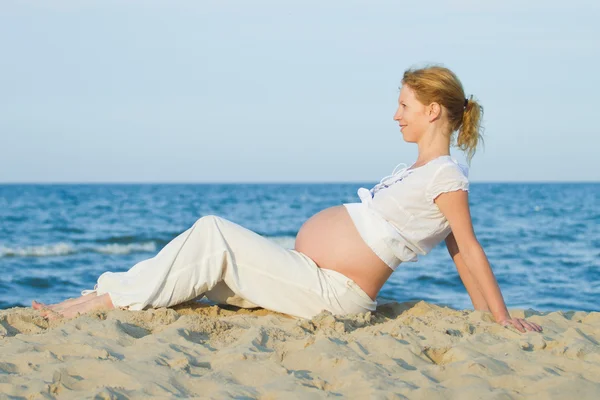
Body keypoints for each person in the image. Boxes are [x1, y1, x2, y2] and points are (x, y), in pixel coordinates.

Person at [33, 65, 542, 333]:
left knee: (212, 232)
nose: (396, 115)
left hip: (333, 293)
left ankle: (98, 301)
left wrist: (497, 319)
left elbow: (467, 250)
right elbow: (458, 249)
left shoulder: (445, 175)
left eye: (404, 105)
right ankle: (98, 296)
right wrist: (487, 316)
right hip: (311, 276)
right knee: (195, 269)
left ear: (433, 111)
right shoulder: (423, 171)